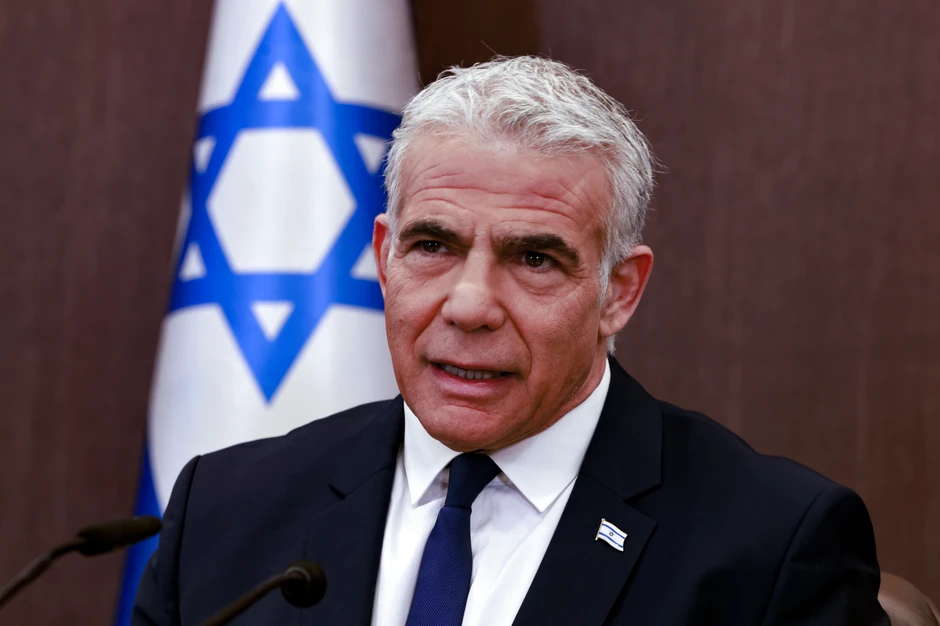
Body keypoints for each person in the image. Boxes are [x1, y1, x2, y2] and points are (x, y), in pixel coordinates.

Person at [132, 56, 888, 626]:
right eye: (433, 246)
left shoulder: (771, 547)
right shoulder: (224, 514)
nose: (469, 306)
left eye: (534, 259)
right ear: (384, 259)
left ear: (619, 292)